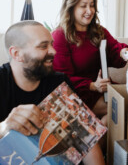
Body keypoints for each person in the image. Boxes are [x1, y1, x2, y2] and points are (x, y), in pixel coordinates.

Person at [0, 21, 105, 165]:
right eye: (43, 46)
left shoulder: (59, 81)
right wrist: (4, 126)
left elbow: (86, 140)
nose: (53, 51)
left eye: (51, 44)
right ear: (17, 54)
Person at [52, 0, 128, 125]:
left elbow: (114, 48)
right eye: (83, 6)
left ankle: (101, 128)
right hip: (78, 93)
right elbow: (61, 78)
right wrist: (92, 85)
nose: (89, 11)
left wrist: (124, 52)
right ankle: (100, 130)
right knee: (126, 107)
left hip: (102, 88)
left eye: (92, 6)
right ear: (71, 7)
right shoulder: (60, 36)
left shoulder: (99, 31)